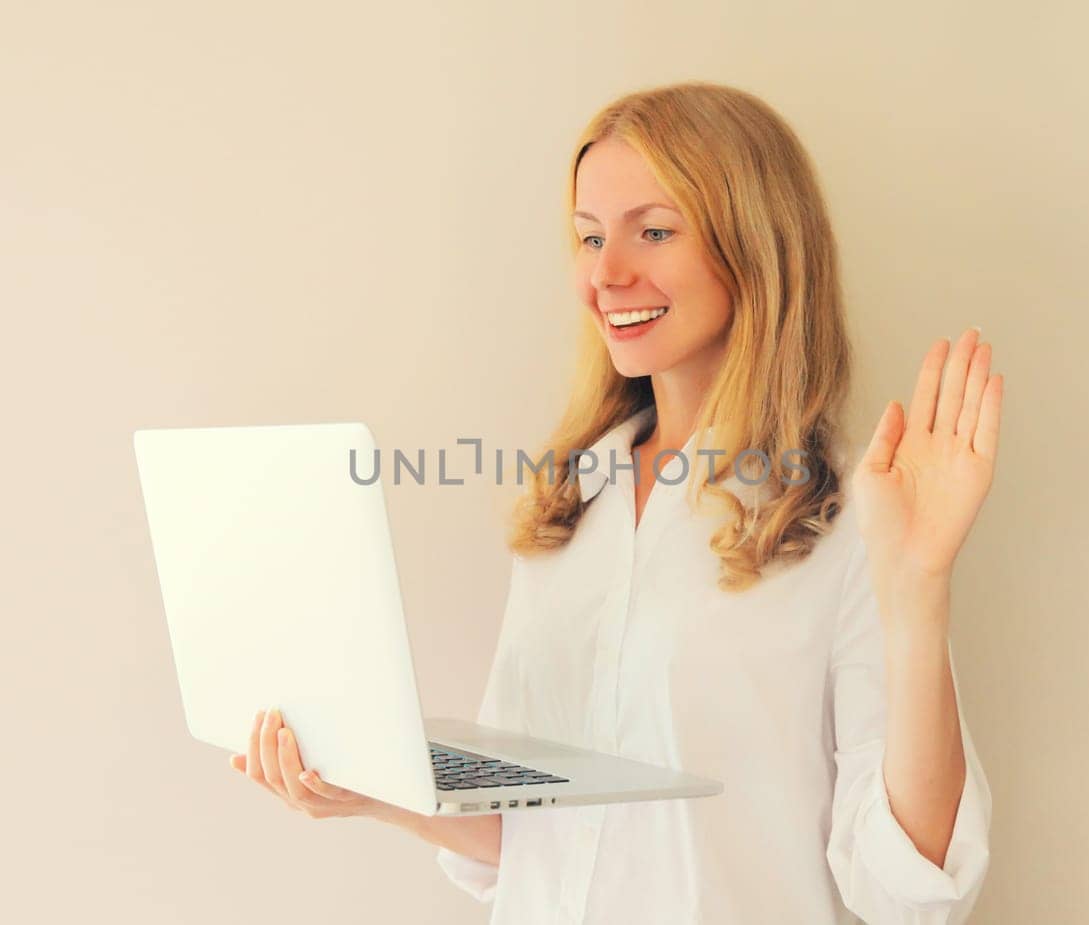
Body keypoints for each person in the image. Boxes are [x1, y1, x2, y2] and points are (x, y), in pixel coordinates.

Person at [229, 80, 1003, 924]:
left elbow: (913, 887)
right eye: (590, 237)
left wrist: (920, 589)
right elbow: (534, 827)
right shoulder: (566, 503)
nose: (606, 274)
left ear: (758, 248)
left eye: (654, 231)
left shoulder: (851, 520)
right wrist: (367, 784)